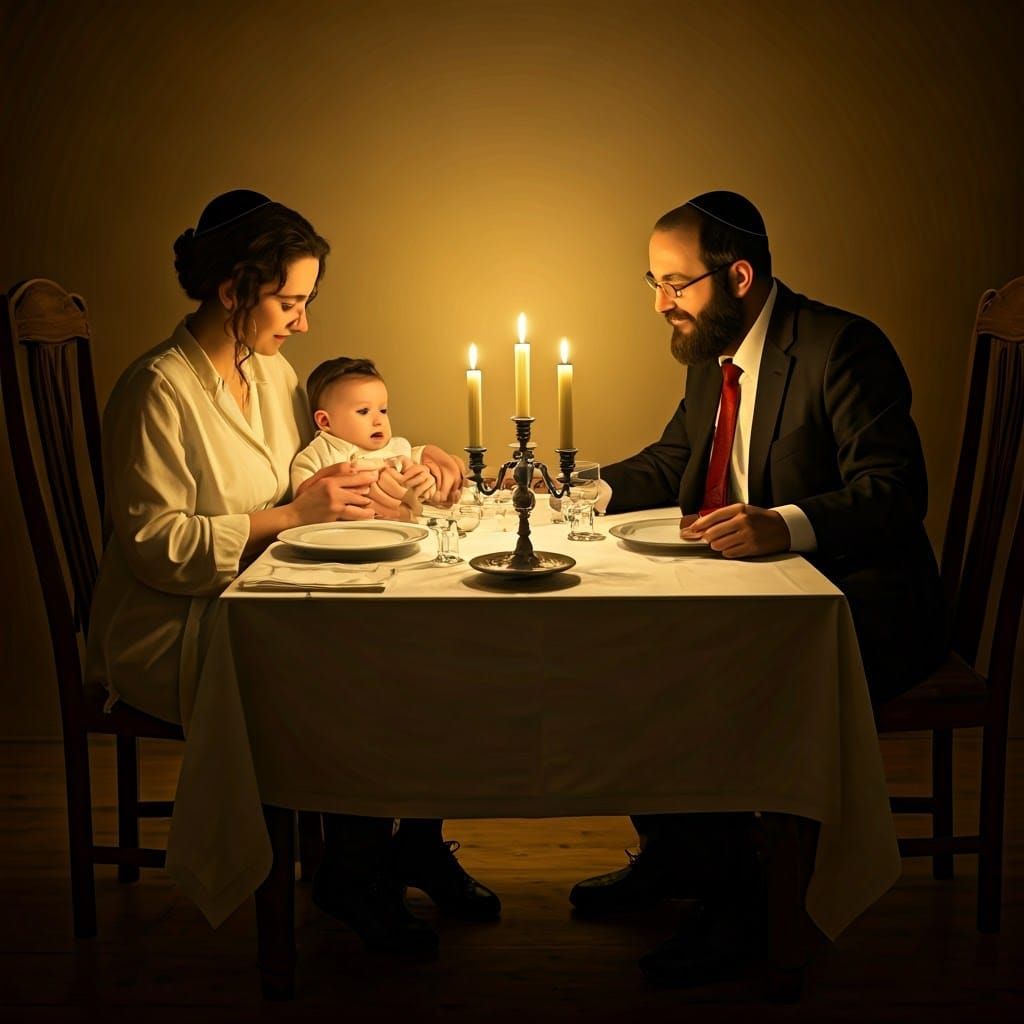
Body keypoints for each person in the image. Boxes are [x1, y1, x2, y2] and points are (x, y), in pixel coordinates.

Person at [86, 189, 496, 958]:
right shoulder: (158, 390)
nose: (302, 322)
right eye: (289, 301)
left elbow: (310, 480)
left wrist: (401, 469)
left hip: (262, 594)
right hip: (168, 620)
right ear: (233, 290)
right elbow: (155, 546)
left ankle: (406, 845)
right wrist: (291, 519)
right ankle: (357, 873)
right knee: (352, 666)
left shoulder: (270, 374)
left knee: (415, 642)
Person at [570, 190, 946, 991]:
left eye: (677, 284)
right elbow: (675, 461)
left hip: (863, 605)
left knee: (696, 678)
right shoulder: (717, 351)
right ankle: (678, 857)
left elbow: (896, 489)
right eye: (653, 282)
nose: (662, 303)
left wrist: (786, 523)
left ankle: (742, 904)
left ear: (737, 274)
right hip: (755, 598)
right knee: (627, 650)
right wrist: (586, 488)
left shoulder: (842, 346)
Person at [291, 355, 437, 508]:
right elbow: (302, 505)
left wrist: (425, 485)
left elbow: (422, 492)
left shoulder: (399, 450)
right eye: (363, 411)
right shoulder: (316, 457)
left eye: (383, 410)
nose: (378, 421)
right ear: (325, 421)